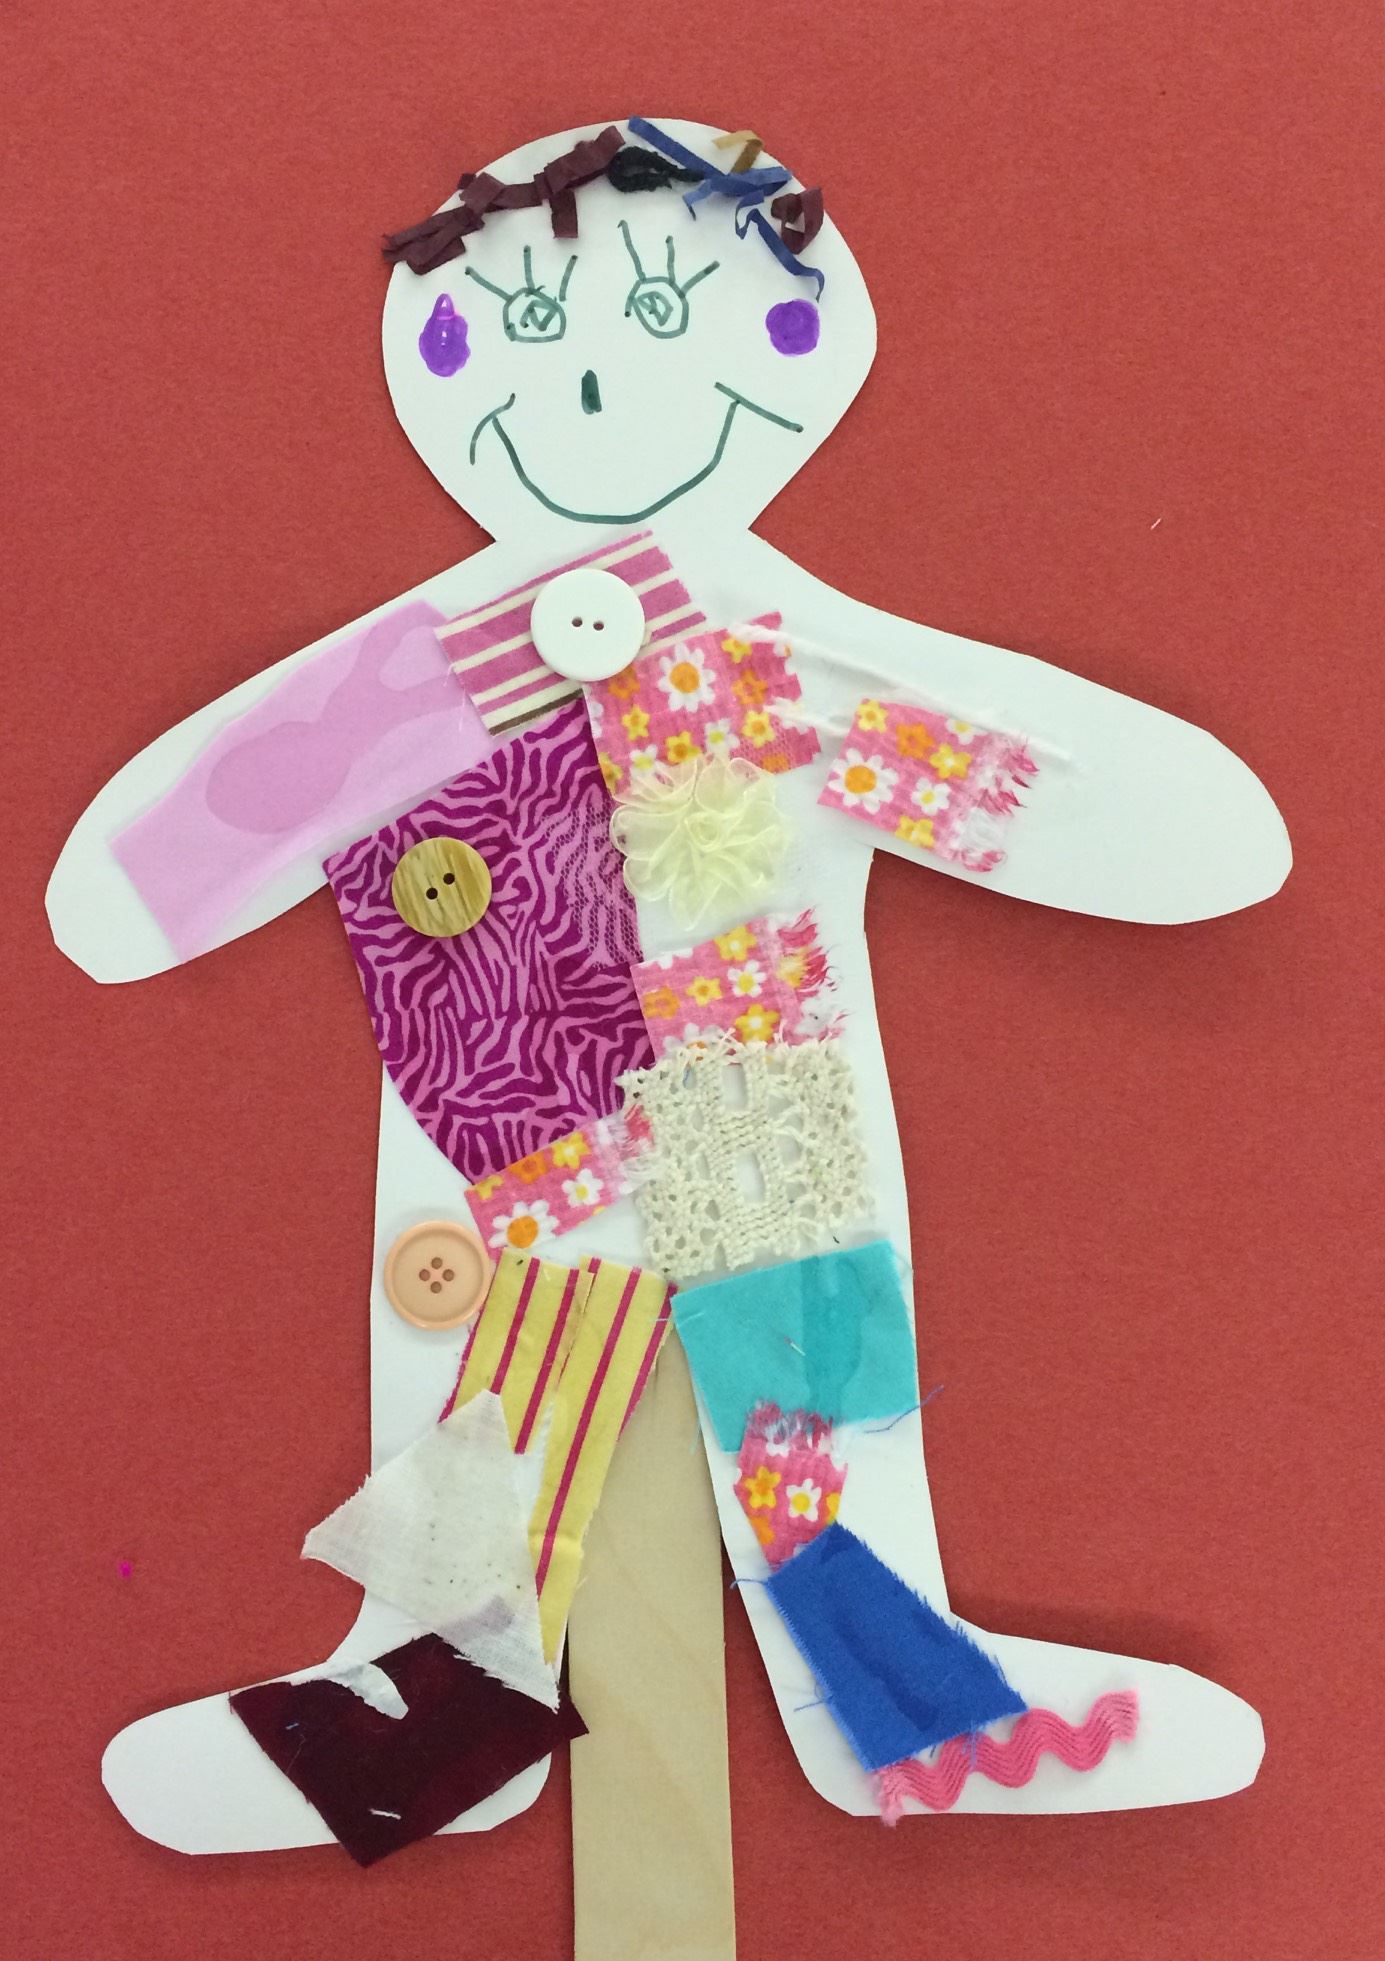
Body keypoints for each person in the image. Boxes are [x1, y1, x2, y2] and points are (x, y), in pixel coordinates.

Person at [47, 117, 1289, 1852]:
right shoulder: (419, 677)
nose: (594, 387)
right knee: (495, 1423)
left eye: (656, 318)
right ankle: (432, 1706)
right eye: (527, 330)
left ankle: (905, 1712)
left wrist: (1150, 811)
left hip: (752, 1116)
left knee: (804, 1413)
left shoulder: (788, 658)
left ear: (796, 349)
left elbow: (1117, 815)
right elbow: (148, 875)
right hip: (512, 1151)